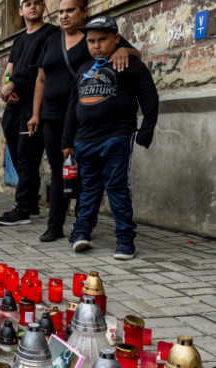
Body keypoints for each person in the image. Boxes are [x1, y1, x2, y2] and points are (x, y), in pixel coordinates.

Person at [27, 0, 140, 242]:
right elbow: (41, 78)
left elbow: (134, 53)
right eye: (60, 12)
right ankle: (54, 225)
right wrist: (35, 113)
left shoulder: (93, 36)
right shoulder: (51, 40)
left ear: (84, 12)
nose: (64, 16)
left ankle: (82, 227)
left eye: (70, 11)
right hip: (51, 116)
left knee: (84, 174)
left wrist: (123, 51)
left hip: (83, 116)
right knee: (58, 171)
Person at [62, 16, 158, 260]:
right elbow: (73, 107)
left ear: (116, 38)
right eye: (91, 41)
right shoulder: (83, 69)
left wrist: (146, 130)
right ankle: (83, 231)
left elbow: (149, 96)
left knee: (117, 187)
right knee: (89, 189)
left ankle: (125, 239)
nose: (96, 45)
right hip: (84, 140)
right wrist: (67, 141)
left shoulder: (130, 64)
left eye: (103, 40)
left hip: (116, 136)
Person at [0, 0, 56, 226]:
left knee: (28, 156)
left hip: (34, 104)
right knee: (19, 157)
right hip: (14, 106)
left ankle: (22, 209)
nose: (33, 7)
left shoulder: (51, 34)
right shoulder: (19, 41)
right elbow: (8, 72)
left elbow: (41, 69)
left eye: (37, 3)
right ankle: (31, 203)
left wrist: (14, 84)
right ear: (20, 11)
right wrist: (7, 89)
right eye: (27, 4)